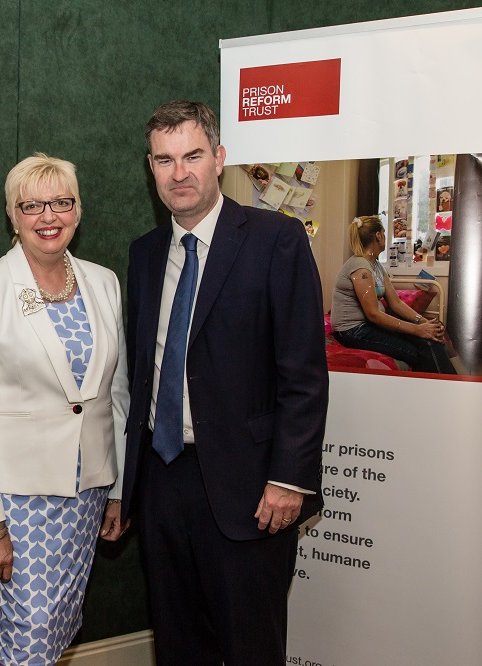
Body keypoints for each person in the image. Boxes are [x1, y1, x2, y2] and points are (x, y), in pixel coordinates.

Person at [122, 101, 329, 665]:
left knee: (249, 648)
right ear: (151, 167)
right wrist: (126, 484)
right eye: (164, 160)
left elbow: (304, 376)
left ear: (219, 158)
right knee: (178, 643)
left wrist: (289, 478)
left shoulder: (276, 240)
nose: (179, 172)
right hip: (162, 484)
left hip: (251, 487)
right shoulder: (143, 255)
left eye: (192, 155)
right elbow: (141, 375)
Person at [0, 154, 130, 665]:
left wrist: (118, 488)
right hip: (18, 504)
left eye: (61, 202)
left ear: (78, 210)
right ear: (12, 214)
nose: (48, 216)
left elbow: (115, 396)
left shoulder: (103, 282)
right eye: (32, 205)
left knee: (56, 631)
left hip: (88, 494)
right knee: (26, 641)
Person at [331, 215, 456, 374]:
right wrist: (417, 330)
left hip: (369, 326)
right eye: (383, 233)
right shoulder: (360, 267)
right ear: (378, 235)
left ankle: (449, 387)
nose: (384, 237)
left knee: (428, 341)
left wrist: (423, 322)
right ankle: (445, 389)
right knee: (415, 352)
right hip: (352, 331)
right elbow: (373, 314)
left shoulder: (376, 265)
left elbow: (395, 303)